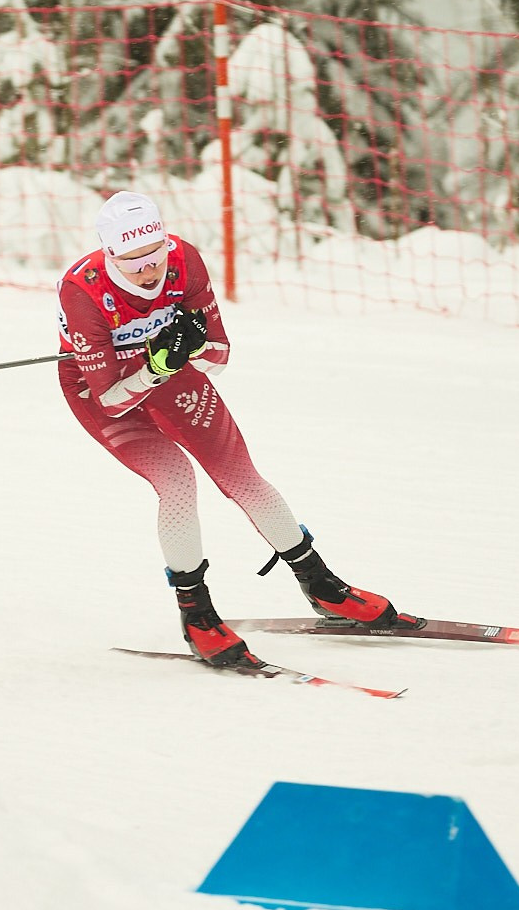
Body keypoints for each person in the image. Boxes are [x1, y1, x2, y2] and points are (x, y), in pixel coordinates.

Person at [57, 190, 421, 668]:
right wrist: (157, 365)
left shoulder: (184, 261)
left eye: (155, 254)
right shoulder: (81, 290)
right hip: (104, 393)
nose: (149, 270)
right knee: (176, 480)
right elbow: (110, 397)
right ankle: (196, 614)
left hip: (164, 373)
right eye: (133, 261)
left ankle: (321, 585)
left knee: (241, 474)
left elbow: (219, 357)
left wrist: (184, 347)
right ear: (110, 256)